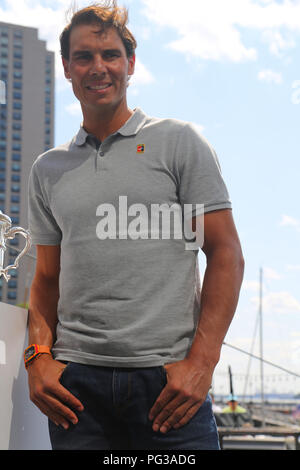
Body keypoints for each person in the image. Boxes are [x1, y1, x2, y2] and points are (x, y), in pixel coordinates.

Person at [25, 0, 244, 451]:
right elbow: (47, 279)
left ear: (131, 63)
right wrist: (37, 359)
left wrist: (201, 364)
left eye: (110, 55)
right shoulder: (48, 169)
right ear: (67, 68)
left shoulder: (180, 142)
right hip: (75, 390)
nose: (98, 67)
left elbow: (225, 254)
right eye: (83, 56)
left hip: (167, 383)